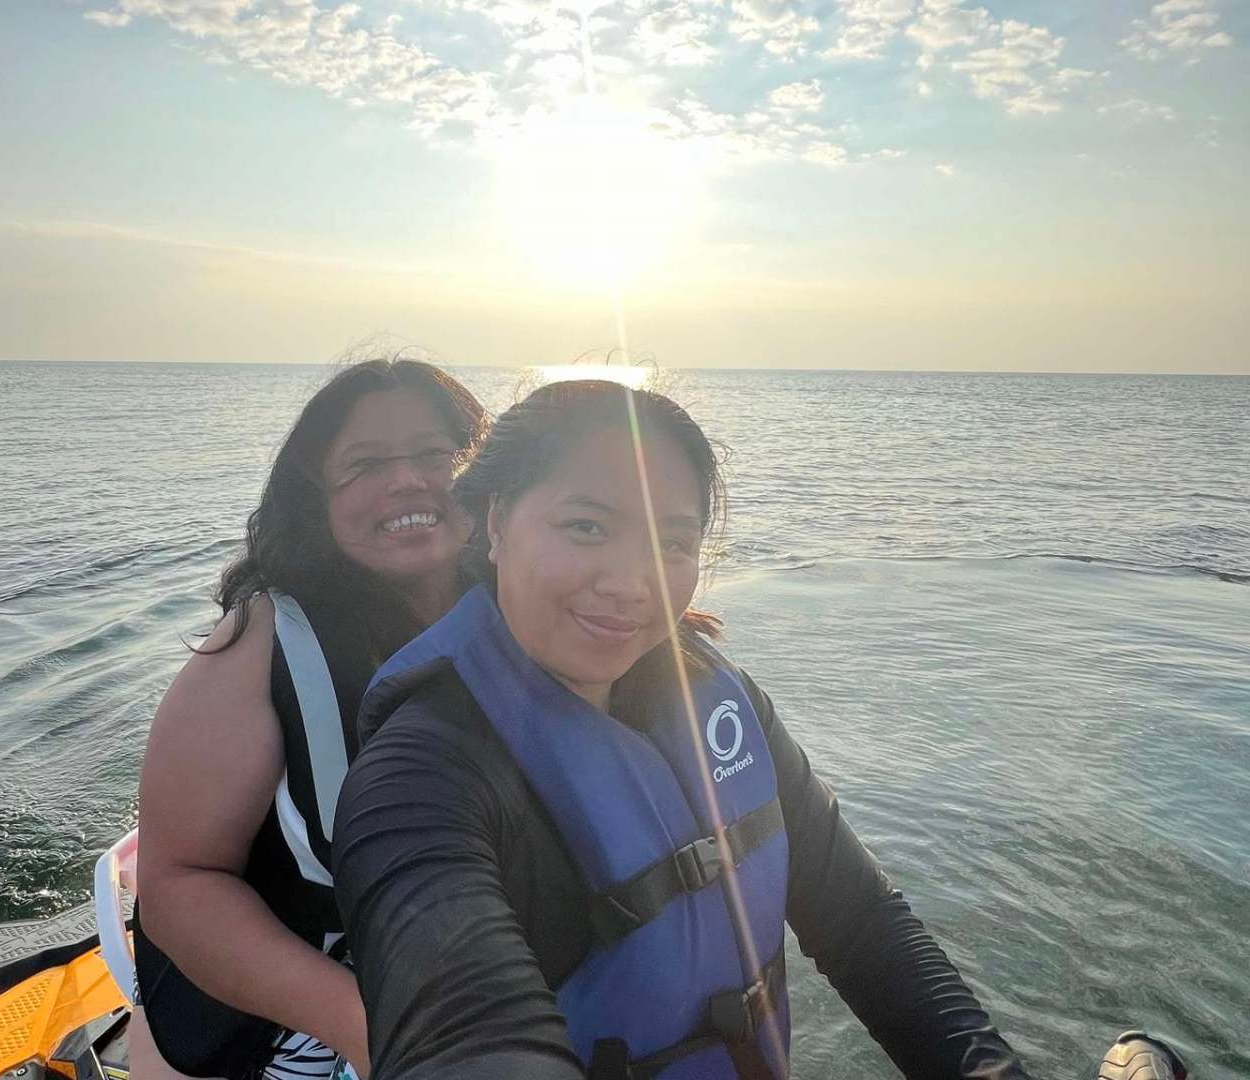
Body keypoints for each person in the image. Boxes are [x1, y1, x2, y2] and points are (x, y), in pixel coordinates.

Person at [333, 380, 1034, 1080]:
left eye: (674, 542)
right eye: (587, 526)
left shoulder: (719, 700)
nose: (634, 582)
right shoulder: (419, 778)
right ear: (495, 521)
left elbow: (863, 924)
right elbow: (459, 1035)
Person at [132, 358, 487, 1080]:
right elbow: (178, 881)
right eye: (364, 463)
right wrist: (366, 1025)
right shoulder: (262, 645)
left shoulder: (531, 618)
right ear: (315, 496)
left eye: (436, 454)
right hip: (306, 1017)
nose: (408, 480)